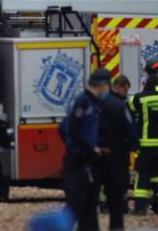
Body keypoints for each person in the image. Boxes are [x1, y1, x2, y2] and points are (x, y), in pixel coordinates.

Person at [60, 68, 112, 231]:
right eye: (107, 86)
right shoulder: (83, 102)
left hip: (87, 162)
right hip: (79, 162)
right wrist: (90, 149)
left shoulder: (92, 103)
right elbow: (70, 129)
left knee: (89, 208)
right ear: (103, 85)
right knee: (76, 206)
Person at [97, 74, 135, 230]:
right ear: (119, 87)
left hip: (100, 155)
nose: (126, 94)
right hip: (118, 155)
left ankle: (102, 206)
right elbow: (130, 130)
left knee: (102, 187)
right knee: (118, 190)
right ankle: (116, 225)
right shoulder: (120, 106)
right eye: (125, 90)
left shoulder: (96, 104)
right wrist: (131, 145)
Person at [128, 67, 158, 215]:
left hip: (146, 145)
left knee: (142, 175)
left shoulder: (140, 98)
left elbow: (128, 106)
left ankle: (140, 208)